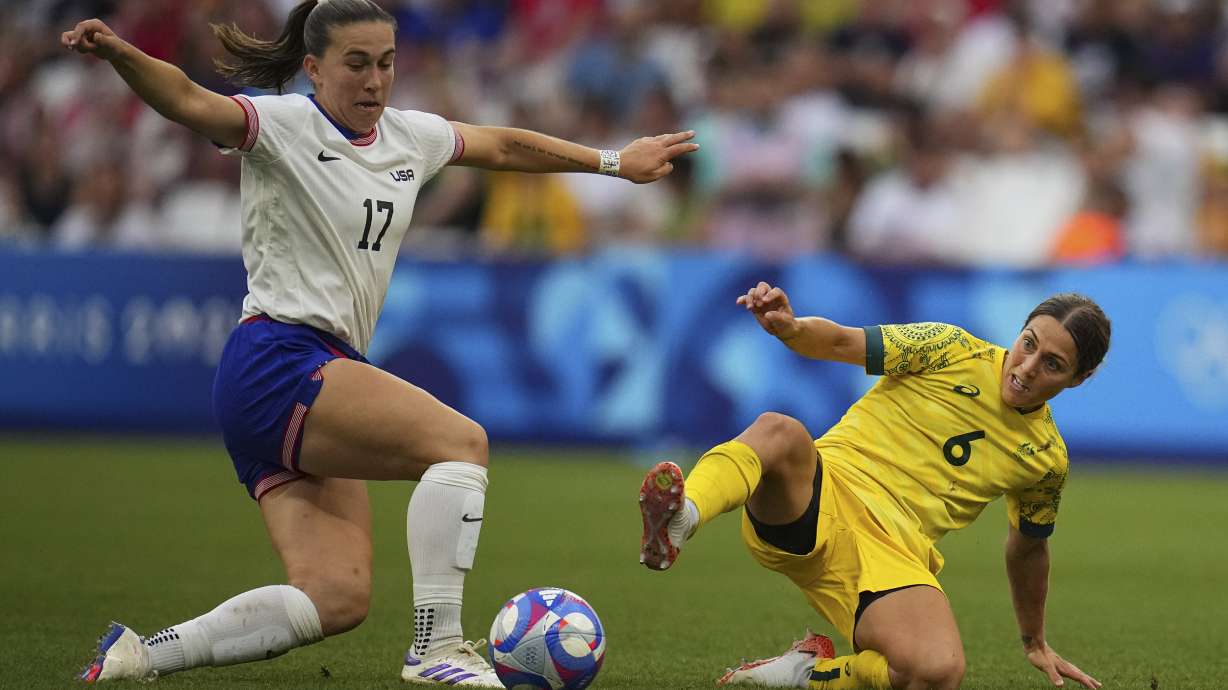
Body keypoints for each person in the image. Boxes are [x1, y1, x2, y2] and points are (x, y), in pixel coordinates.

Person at [64, 1, 697, 685]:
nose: (375, 81)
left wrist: (613, 161)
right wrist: (121, 55)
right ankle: (437, 646)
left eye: (387, 63)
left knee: (336, 598)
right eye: (357, 64)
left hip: (310, 370)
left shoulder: (409, 137)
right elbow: (189, 100)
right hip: (278, 358)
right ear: (313, 68)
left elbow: (502, 146)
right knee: (461, 443)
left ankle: (139, 655)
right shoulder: (282, 125)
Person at [639, 282, 1108, 690]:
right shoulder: (950, 347)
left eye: (1052, 364)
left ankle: (806, 672)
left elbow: (1027, 549)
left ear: (1079, 379)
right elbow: (843, 341)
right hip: (821, 493)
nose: (1027, 368)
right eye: (1028, 344)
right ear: (1020, 330)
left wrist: (1034, 641)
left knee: (937, 672)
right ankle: (684, 517)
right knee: (780, 432)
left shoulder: (1046, 460)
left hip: (892, 556)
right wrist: (790, 327)